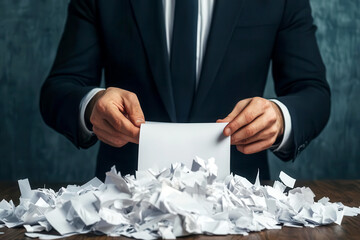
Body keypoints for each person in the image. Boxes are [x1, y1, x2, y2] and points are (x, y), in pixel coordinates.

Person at [40, 0, 330, 180]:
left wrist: (279, 117)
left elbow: (312, 91)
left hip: (240, 204)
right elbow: (59, 87)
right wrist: (92, 105)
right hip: (122, 205)